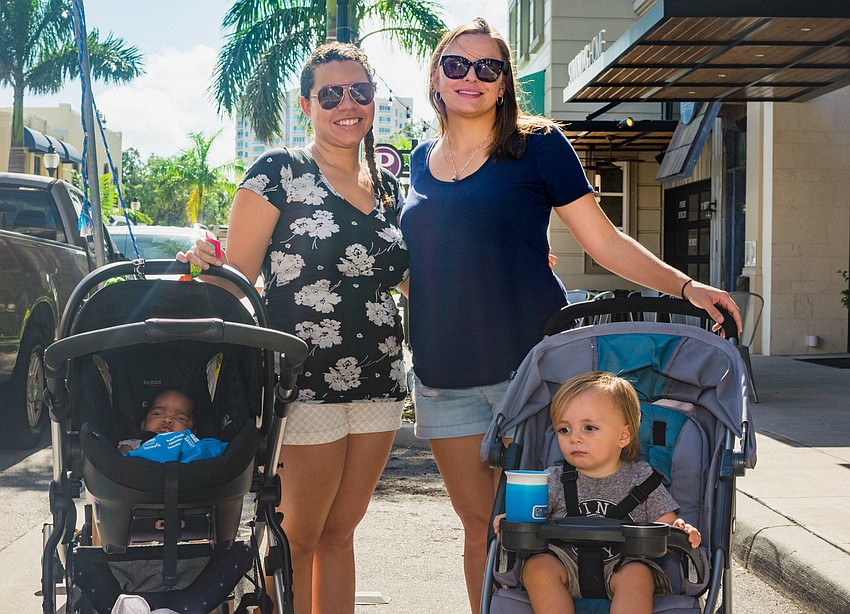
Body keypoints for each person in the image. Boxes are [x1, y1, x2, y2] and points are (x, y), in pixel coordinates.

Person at [398, 17, 739, 612]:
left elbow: (603, 242)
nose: (470, 77)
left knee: (556, 526)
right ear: (435, 76)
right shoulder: (418, 162)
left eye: (488, 67)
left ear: (504, 83)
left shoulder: (540, 145)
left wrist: (686, 288)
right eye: (456, 64)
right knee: (483, 528)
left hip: (533, 371)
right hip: (442, 372)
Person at [177, 42, 408, 614]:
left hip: (379, 382)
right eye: (330, 94)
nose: (346, 104)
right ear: (307, 105)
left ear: (374, 100)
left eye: (360, 91)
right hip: (301, 382)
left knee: (342, 531)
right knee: (299, 535)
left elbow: (412, 282)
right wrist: (205, 263)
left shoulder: (388, 187)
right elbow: (237, 280)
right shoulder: (278, 172)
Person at [493, 372, 701, 614]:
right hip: (564, 564)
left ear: (623, 436)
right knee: (537, 567)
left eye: (589, 428)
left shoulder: (642, 478)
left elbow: (666, 525)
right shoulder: (553, 479)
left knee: (638, 575)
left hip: (623, 566)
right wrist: (511, 521)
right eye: (564, 430)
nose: (575, 438)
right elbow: (530, 517)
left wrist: (681, 528)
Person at [117, 388, 195, 454]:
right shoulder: (133, 445)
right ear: (143, 425)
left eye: (180, 418)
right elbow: (119, 463)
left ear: (192, 432)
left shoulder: (193, 448)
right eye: (157, 414)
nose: (167, 419)